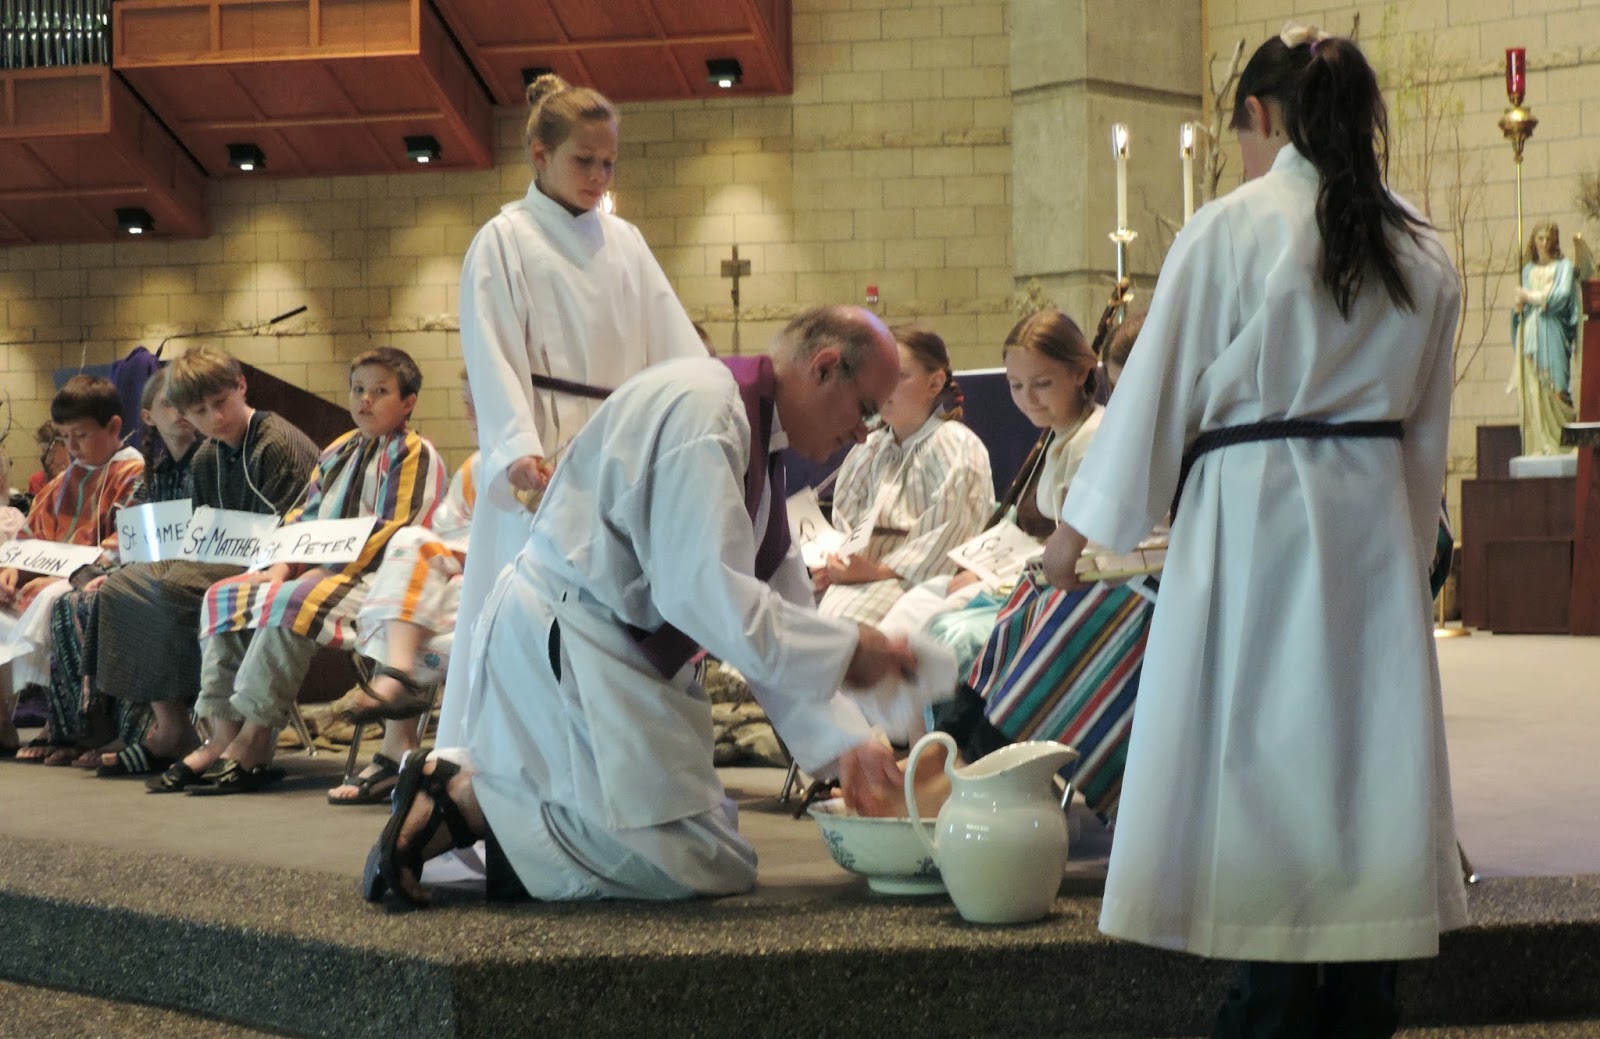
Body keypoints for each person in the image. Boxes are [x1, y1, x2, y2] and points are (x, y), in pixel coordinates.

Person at [1039, 25, 1466, 1036]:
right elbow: (1425, 437)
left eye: (1237, 135)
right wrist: (1406, 562)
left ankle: (1268, 1000)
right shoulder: (1423, 246)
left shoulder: (1231, 229)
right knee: (1360, 764)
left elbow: (1152, 395)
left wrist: (1071, 537)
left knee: (1262, 759)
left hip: (1253, 523)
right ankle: (1364, 998)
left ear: (1264, 120)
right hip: (1366, 520)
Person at [363, 306, 919, 908]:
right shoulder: (708, 412)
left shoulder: (753, 428)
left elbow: (776, 601)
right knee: (684, 870)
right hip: (575, 636)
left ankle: (475, 797)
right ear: (825, 367)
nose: (866, 433)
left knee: (717, 855)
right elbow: (703, 593)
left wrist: (849, 744)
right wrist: (850, 650)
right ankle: (468, 797)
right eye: (866, 409)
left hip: (618, 650)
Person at [437, 71, 707, 751]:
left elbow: (679, 351)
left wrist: (707, 420)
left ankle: (610, 779)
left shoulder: (628, 243)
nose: (598, 174)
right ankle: (500, 785)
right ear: (539, 154)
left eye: (608, 162)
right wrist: (517, 449)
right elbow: (491, 347)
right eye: (583, 160)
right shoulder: (504, 239)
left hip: (621, 457)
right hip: (545, 458)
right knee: (532, 630)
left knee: (617, 628)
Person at [147, 347, 444, 795]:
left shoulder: (414, 453)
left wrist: (318, 573)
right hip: (322, 575)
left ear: (408, 402)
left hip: (379, 582)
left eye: (380, 391)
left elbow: (395, 530)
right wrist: (280, 566)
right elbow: (301, 516)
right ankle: (221, 733)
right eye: (358, 389)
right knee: (224, 594)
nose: (365, 400)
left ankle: (256, 737)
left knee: (293, 599)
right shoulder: (339, 449)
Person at [92, 346, 319, 777]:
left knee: (170, 589)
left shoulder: (276, 444)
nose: (214, 418)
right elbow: (203, 536)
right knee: (123, 587)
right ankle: (172, 725)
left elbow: (298, 532)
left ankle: (226, 730)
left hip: (280, 566)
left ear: (242, 387)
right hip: (220, 563)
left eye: (221, 403)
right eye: (199, 411)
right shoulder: (205, 457)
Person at [874, 309, 1104, 673]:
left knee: (935, 636)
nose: (1028, 397)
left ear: (1080, 373)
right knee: (899, 621)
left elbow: (1083, 550)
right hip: (1013, 571)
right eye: (1015, 385)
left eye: (1041, 383)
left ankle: (939, 730)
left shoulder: (1094, 440)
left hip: (1059, 588)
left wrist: (993, 575)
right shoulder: (1054, 437)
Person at [36, 367, 202, 768]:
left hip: (191, 572)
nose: (180, 411)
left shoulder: (207, 460)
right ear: (147, 416)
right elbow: (133, 540)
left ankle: (144, 732)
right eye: (169, 402)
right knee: (74, 601)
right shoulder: (157, 469)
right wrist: (91, 575)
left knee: (117, 597)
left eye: (187, 402)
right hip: (152, 569)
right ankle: (82, 726)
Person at [328, 372, 479, 806]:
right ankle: (399, 721)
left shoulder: (551, 465)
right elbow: (450, 534)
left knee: (409, 586)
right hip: (457, 581)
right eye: (469, 402)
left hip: (520, 589)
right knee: (409, 571)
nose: (472, 413)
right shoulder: (477, 468)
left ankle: (397, 740)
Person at [1, 376, 145, 759]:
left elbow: (124, 547)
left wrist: (61, 576)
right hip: (50, 580)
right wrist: (12, 570)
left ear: (114, 427)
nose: (71, 446)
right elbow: (28, 541)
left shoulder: (133, 475)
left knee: (57, 598)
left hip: (97, 580)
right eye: (64, 436)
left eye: (80, 434)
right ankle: (5, 722)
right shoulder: (59, 485)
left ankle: (74, 726)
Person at [813, 325, 992, 627]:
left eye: (897, 377)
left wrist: (876, 571)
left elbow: (951, 530)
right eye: (876, 378)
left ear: (935, 383)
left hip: (913, 580)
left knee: (839, 631)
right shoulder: (869, 448)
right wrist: (838, 562)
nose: (881, 389)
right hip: (861, 573)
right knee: (784, 615)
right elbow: (847, 514)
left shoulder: (956, 445)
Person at [1511, 220, 1580, 456]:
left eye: (1548, 238)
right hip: (1532, 334)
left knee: (1557, 386)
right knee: (1534, 388)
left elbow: (1560, 297)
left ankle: (1565, 443)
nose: (1544, 243)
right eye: (1540, 238)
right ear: (1533, 240)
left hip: (1553, 330)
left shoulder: (1564, 268)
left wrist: (1528, 296)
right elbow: (1520, 311)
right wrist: (1518, 307)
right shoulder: (1527, 271)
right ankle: (1540, 444)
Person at [27, 420, 68, 497]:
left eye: (52, 452)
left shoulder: (79, 478)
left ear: (65, 447)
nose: (47, 459)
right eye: (44, 452)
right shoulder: (37, 481)